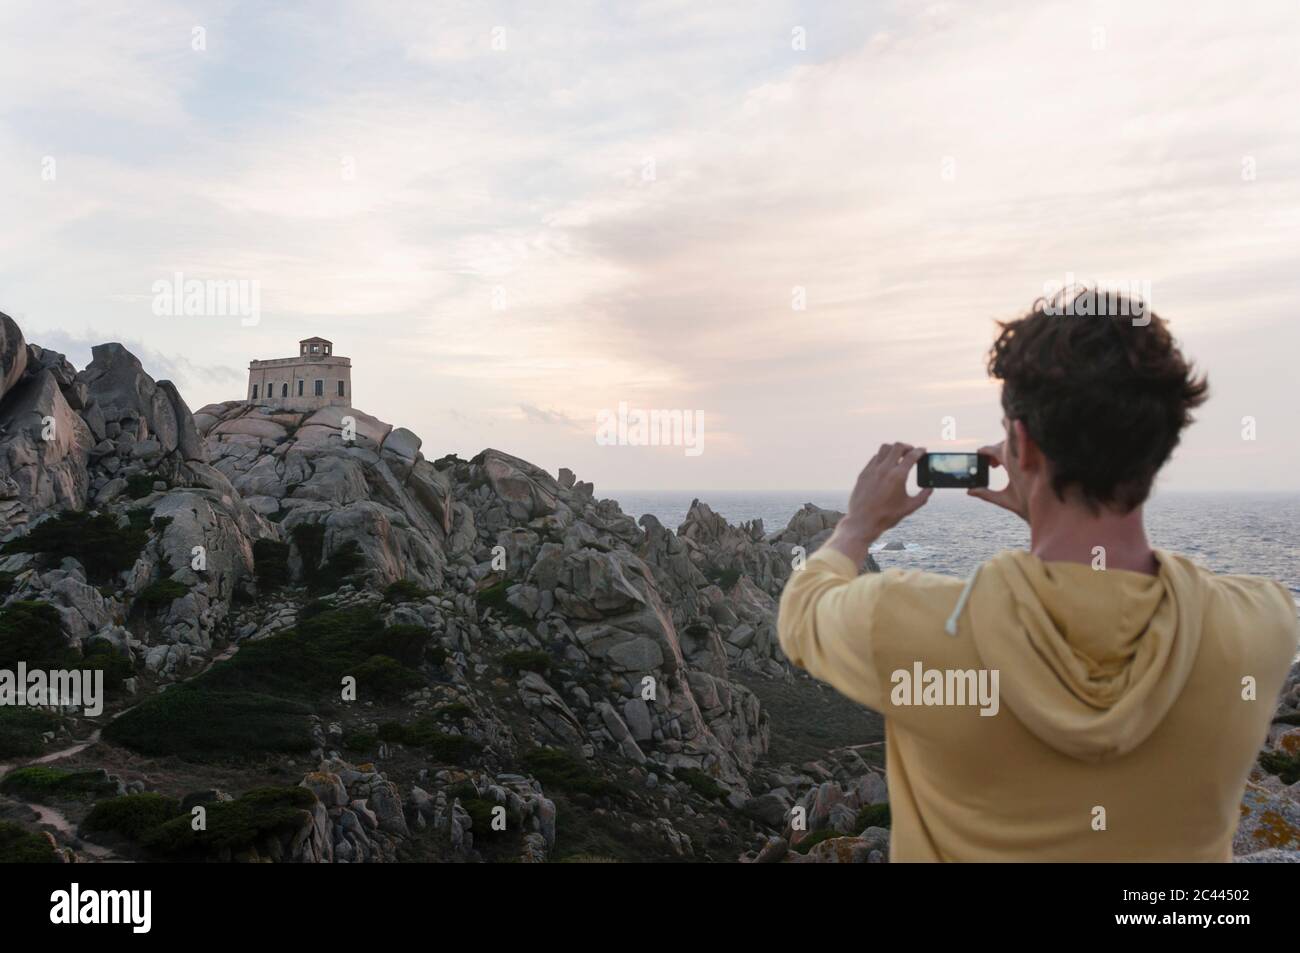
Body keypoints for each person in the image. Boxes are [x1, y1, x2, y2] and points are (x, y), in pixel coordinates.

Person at [777, 290, 1298, 861]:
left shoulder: (906, 623)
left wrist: (857, 526)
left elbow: (802, 612)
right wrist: (1047, 509)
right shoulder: (1262, 625)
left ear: (1020, 444)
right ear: (1163, 444)